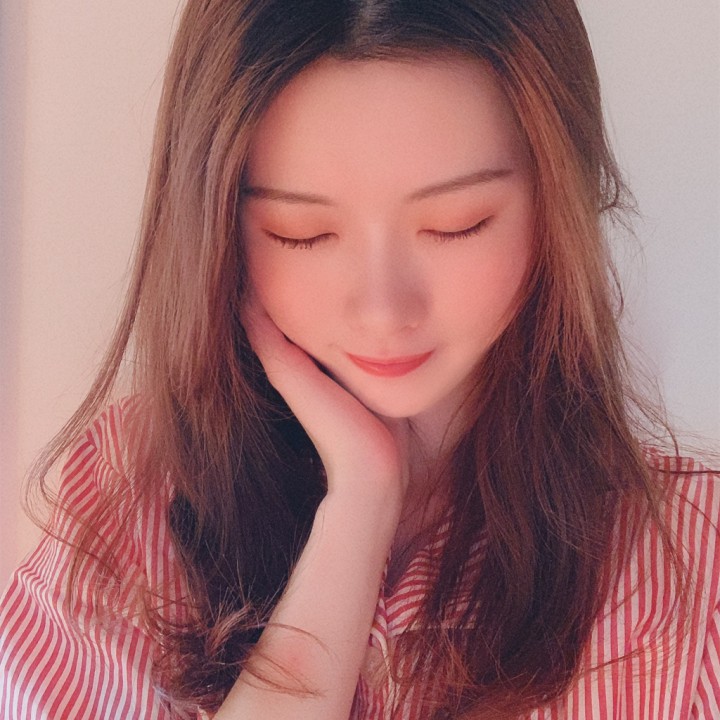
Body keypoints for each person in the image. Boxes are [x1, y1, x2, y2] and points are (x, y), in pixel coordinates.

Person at [1, 0, 718, 718]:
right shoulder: (130, 499)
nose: (382, 311)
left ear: (558, 202)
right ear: (219, 227)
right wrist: (358, 509)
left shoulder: (695, 563)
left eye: (457, 225)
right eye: (301, 232)